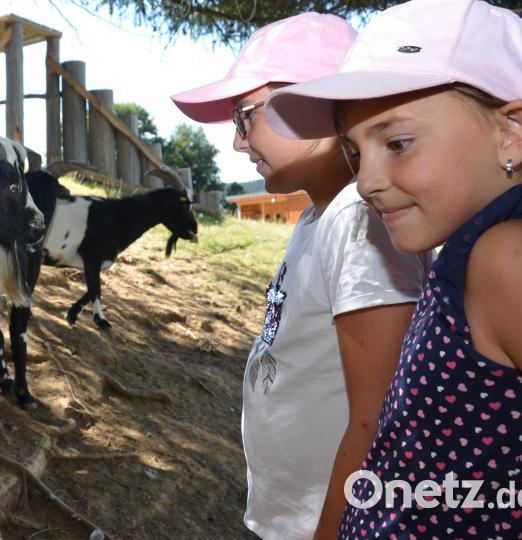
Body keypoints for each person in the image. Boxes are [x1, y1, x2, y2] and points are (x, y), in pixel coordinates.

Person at [264, 0, 522, 537]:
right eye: (356, 153)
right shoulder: (470, 254)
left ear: (513, 132)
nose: (366, 181)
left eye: (397, 143)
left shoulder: (510, 256)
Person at [171, 13, 433, 539]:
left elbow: (381, 415)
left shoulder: (358, 222)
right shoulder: (320, 217)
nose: (238, 144)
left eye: (245, 116)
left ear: (313, 102)